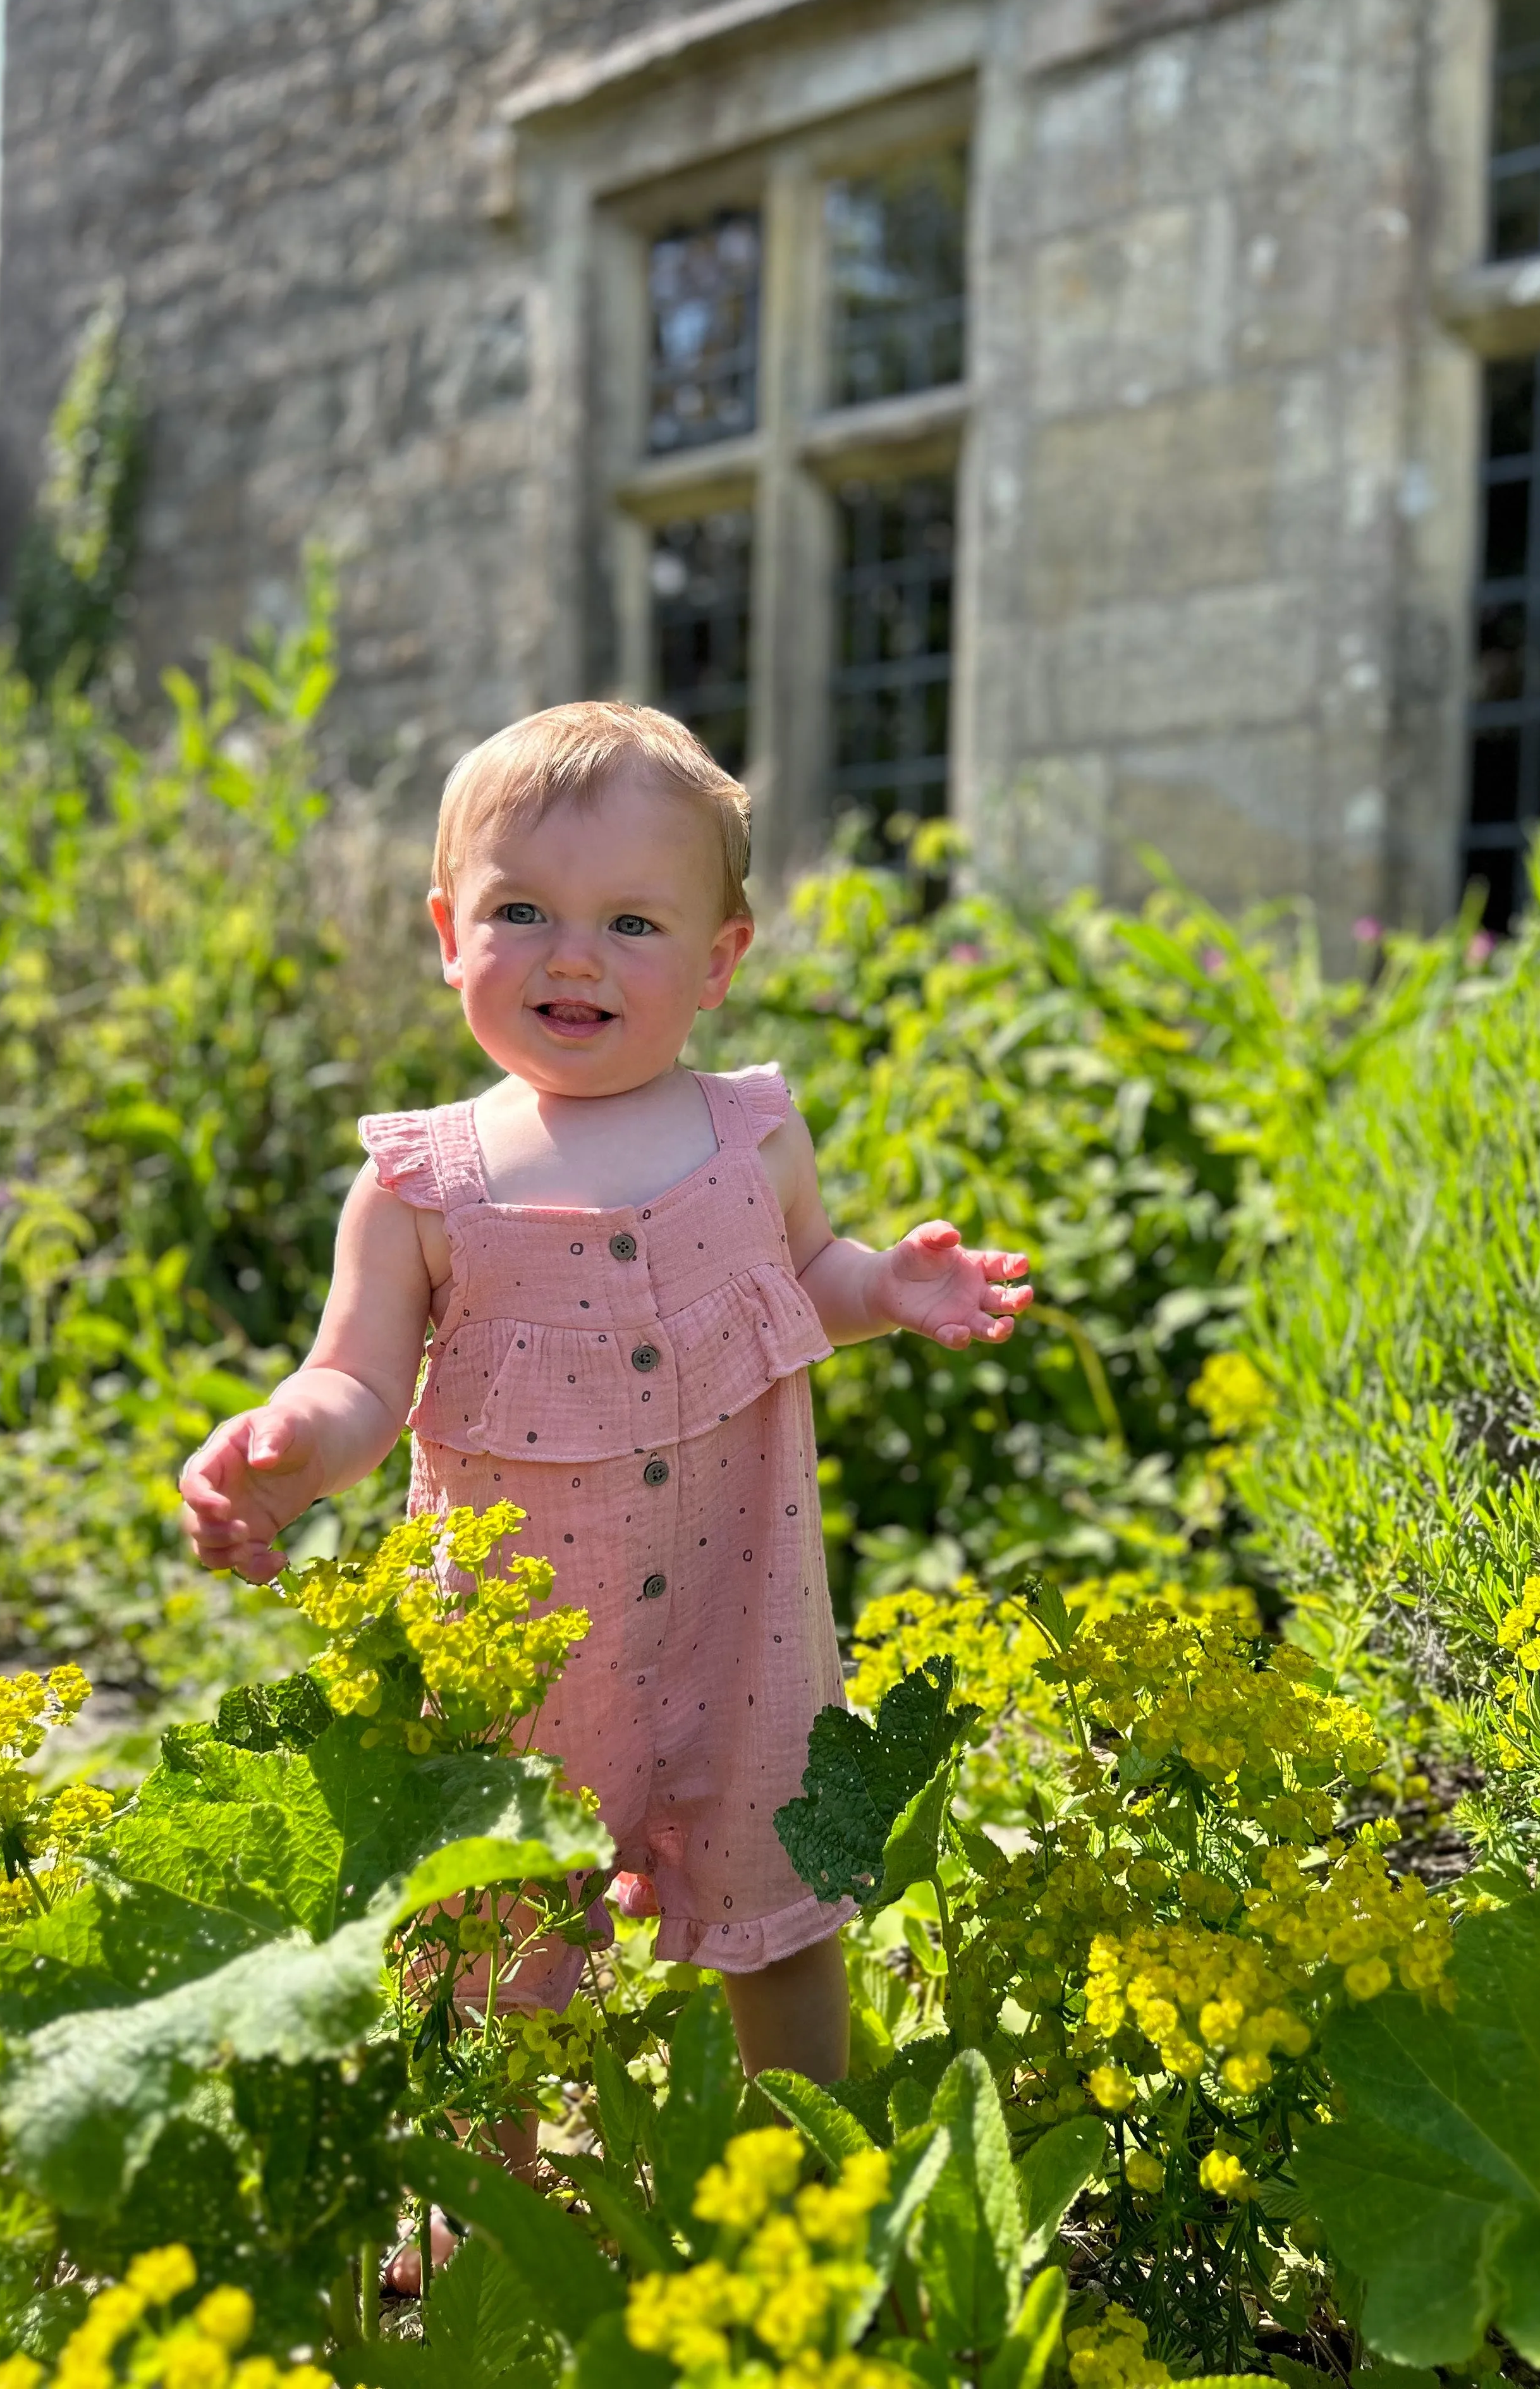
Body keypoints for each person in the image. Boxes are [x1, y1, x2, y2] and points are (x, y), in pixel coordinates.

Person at [176, 700, 1032, 2251]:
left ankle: (817, 2188)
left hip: (739, 1619)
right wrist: (290, 1446)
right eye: (524, 913)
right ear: (449, 933)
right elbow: (362, 1379)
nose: (574, 958)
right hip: (518, 1649)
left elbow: (804, 1275)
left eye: (633, 922)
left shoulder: (748, 1135)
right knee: (497, 1928)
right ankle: (481, 2225)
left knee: (778, 1900)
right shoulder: (422, 1184)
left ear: (718, 960)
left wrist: (882, 1290)